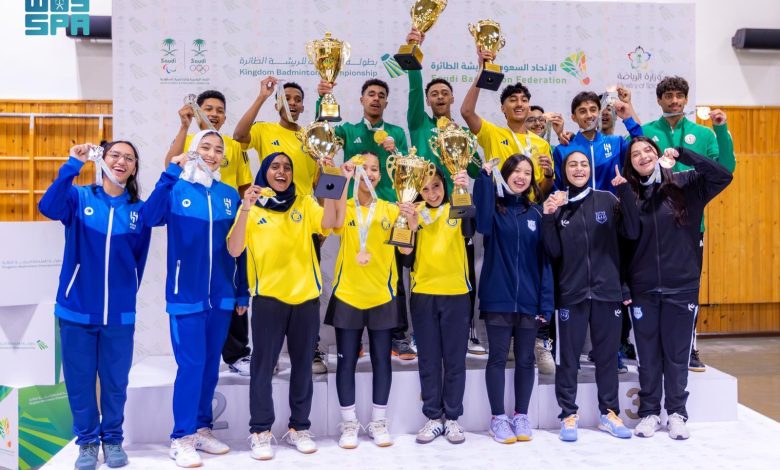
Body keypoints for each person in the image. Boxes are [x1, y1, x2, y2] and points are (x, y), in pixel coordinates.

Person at [227, 152, 348, 461]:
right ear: (264, 172)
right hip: (268, 300)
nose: (282, 172)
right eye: (275, 167)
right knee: (262, 368)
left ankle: (299, 428)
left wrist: (332, 174)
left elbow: (330, 222)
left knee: (303, 367)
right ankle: (260, 431)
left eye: (287, 168)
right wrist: (246, 207)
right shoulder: (252, 207)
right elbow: (235, 248)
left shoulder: (304, 203)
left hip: (305, 299)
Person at [39, 141, 150, 470]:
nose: (121, 161)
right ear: (103, 159)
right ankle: (87, 442)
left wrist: (126, 294)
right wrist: (73, 166)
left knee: (116, 383)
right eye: (115, 155)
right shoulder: (79, 197)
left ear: (134, 168)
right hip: (76, 310)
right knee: (80, 382)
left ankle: (113, 439)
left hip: (119, 314)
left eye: (129, 158)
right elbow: (48, 207)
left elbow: (139, 260)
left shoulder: (139, 211)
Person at [142, 130, 248, 468]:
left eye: (218, 149)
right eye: (205, 147)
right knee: (191, 366)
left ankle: (202, 428)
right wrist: (170, 172)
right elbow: (149, 218)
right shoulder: (176, 188)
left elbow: (240, 248)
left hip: (221, 296)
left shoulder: (229, 195)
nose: (212, 154)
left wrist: (242, 289)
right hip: (185, 295)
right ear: (193, 150)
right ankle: (182, 437)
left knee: (210, 365)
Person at [622, 137, 732, 440]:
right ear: (630, 163)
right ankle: (648, 413)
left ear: (659, 154)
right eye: (635, 154)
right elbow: (622, 246)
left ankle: (676, 414)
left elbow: (723, 175)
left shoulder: (686, 184)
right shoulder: (629, 195)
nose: (642, 156)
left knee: (677, 355)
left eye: (648, 150)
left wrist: (684, 154)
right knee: (647, 356)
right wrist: (625, 285)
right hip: (643, 290)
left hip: (681, 287)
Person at [541, 147, 640, 442]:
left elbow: (631, 233)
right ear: (564, 171)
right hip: (570, 294)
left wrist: (626, 194)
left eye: (584, 164)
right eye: (573, 164)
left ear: (591, 169)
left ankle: (609, 413)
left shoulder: (607, 200)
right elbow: (553, 252)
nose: (579, 169)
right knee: (568, 359)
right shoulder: (558, 205)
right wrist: (548, 217)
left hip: (607, 293)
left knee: (607, 358)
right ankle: (568, 414)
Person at [233, 77, 328, 374]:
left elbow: (318, 181)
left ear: (303, 106)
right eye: (286, 98)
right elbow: (238, 136)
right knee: (269, 292)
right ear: (277, 104)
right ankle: (268, 354)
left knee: (308, 292)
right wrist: (262, 96)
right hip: (270, 217)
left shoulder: (311, 137)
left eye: (298, 99)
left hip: (305, 218)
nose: (292, 103)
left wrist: (323, 221)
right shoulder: (264, 129)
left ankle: (311, 349)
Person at [641, 76, 736, 372]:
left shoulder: (703, 134)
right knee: (646, 285)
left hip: (691, 225)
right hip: (653, 224)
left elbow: (726, 169)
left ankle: (690, 347)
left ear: (686, 99)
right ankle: (644, 345)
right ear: (659, 100)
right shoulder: (646, 132)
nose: (674, 101)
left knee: (689, 288)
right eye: (668, 95)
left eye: (679, 96)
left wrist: (721, 129)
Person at [316, 78, 416, 360]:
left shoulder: (396, 133)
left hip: (387, 212)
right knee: (351, 273)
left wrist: (396, 151)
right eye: (371, 94)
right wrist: (322, 100)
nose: (376, 99)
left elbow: (407, 169)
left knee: (393, 277)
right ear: (362, 100)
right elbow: (322, 139)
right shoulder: (348, 130)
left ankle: (397, 336)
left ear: (386, 102)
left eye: (381, 95)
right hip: (352, 211)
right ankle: (353, 337)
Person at [163, 89, 255, 378]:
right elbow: (170, 167)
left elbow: (244, 186)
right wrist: (183, 127)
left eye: (220, 110)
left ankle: (237, 354)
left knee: (230, 289)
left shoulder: (234, 147)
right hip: (196, 222)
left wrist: (245, 212)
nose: (214, 114)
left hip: (227, 217)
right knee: (194, 353)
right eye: (208, 109)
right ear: (198, 112)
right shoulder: (189, 142)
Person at [325, 153, 415, 449]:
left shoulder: (391, 209)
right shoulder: (346, 205)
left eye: (374, 169)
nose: (370, 173)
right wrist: (340, 178)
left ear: (381, 175)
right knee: (346, 362)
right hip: (348, 295)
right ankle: (349, 423)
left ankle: (379, 421)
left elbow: (405, 251)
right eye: (364, 168)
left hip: (382, 296)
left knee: (381, 362)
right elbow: (332, 223)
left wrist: (410, 221)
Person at [405, 26, 485, 356]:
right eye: (434, 93)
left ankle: (468, 332)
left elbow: (478, 169)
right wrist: (414, 49)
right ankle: (415, 333)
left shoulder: (463, 133)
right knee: (415, 265)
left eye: (444, 93)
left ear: (452, 98)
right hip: (421, 204)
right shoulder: (418, 124)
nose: (439, 97)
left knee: (463, 265)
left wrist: (470, 164)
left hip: (456, 207)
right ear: (427, 100)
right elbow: (413, 87)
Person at [473, 154, 554, 444]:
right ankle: (498, 418)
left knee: (526, 359)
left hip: (529, 301)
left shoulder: (537, 214)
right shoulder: (494, 211)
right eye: (516, 171)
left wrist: (546, 303)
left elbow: (545, 262)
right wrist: (484, 178)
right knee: (496, 358)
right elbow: (481, 225)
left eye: (527, 173)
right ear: (505, 174)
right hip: (498, 297)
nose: (521, 176)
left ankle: (521, 416)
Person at [403, 167, 473, 445]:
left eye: (436, 186)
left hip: (456, 294)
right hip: (423, 295)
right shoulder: (412, 211)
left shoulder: (456, 206)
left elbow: (470, 229)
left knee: (455, 361)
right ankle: (433, 417)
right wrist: (410, 225)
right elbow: (405, 259)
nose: (432, 193)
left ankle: (452, 418)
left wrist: (463, 189)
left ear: (445, 185)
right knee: (429, 360)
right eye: (425, 188)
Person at [461, 49, 554, 197]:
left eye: (524, 100)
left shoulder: (542, 144)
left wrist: (549, 175)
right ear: (503, 108)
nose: (519, 104)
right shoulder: (492, 133)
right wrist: (481, 72)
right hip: (499, 206)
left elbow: (543, 190)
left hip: (530, 208)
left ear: (529, 108)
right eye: (513, 100)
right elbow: (467, 112)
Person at [552, 91, 642, 195]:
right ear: (574, 118)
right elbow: (556, 189)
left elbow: (641, 146)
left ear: (599, 112)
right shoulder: (562, 150)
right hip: (575, 205)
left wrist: (628, 119)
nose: (589, 115)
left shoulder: (617, 143)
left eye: (593, 110)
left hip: (612, 205)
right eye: (582, 111)